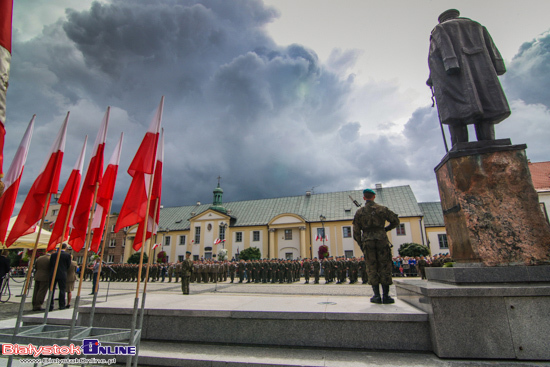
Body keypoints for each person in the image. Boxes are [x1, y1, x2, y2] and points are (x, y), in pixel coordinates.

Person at [427, 9, 510, 146]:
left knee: (454, 112)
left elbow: (435, 57)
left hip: (453, 78)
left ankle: (459, 146)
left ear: (442, 19)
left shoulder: (440, 29)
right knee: (485, 106)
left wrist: (433, 78)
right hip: (483, 75)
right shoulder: (477, 26)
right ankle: (489, 142)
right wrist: (498, 65)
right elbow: (492, 50)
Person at [353, 188, 400, 304]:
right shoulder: (382, 209)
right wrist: (385, 230)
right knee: (385, 265)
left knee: (371, 266)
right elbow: (396, 221)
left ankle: (376, 296)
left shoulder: (360, 212)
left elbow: (356, 232)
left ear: (364, 198)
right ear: (374, 197)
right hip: (382, 240)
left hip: (368, 241)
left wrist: (361, 244)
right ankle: (386, 296)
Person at [49, 243, 72, 310]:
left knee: (51, 290)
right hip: (62, 274)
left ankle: (50, 305)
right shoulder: (67, 255)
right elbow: (68, 265)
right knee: (62, 289)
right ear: (66, 248)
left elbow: (51, 264)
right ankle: (62, 305)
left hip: (53, 273)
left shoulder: (53, 255)